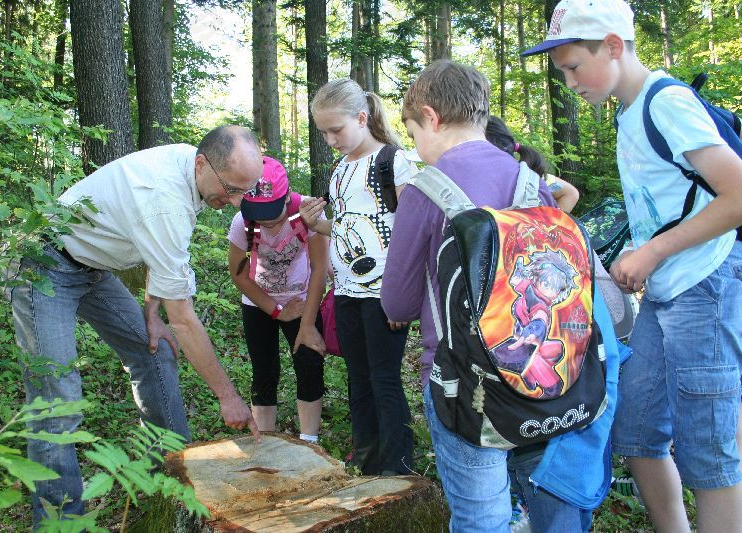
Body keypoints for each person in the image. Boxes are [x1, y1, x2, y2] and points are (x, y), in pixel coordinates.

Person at [521, 1, 742, 531]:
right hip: (666, 294)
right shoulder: (629, 112)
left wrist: (653, 252)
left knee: (708, 449)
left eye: (575, 67)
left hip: (706, 284)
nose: (570, 82)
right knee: (637, 433)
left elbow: (737, 193)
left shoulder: (666, 102)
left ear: (614, 46)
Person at [10, 125, 263, 526]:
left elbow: (161, 256)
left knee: (155, 352)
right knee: (56, 402)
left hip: (92, 267)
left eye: (243, 192)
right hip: (44, 263)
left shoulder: (194, 168)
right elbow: (184, 320)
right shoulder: (165, 199)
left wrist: (150, 314)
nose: (234, 202)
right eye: (231, 189)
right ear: (202, 164)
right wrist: (227, 396)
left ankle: (171, 488)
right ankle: (61, 523)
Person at [381, 59, 594, 532]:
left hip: (463, 382)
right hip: (539, 376)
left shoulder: (425, 189)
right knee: (549, 498)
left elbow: (396, 302)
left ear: (431, 117)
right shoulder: (530, 181)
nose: (416, 146)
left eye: (414, 133)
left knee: (482, 516)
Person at [299, 79, 417, 475]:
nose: (330, 139)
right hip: (347, 291)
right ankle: (366, 462)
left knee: (384, 379)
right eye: (323, 132)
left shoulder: (393, 162)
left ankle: (398, 467)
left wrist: (402, 296)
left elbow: (412, 231)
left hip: (384, 294)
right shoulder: (340, 170)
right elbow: (347, 229)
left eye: (336, 130)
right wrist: (317, 224)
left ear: (362, 118)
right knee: (358, 378)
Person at [227, 156, 328, 443]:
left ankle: (309, 441)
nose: (266, 222)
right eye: (259, 215)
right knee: (264, 370)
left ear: (286, 197)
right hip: (259, 303)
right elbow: (239, 274)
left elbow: (320, 267)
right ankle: (266, 442)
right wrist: (276, 311)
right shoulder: (242, 222)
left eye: (272, 213)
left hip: (302, 301)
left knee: (309, 364)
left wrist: (307, 325)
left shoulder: (308, 212)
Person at [485, 115, 580, 213]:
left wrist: (553, 219)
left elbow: (570, 193)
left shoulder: (528, 178)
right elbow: (571, 193)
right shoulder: (527, 176)